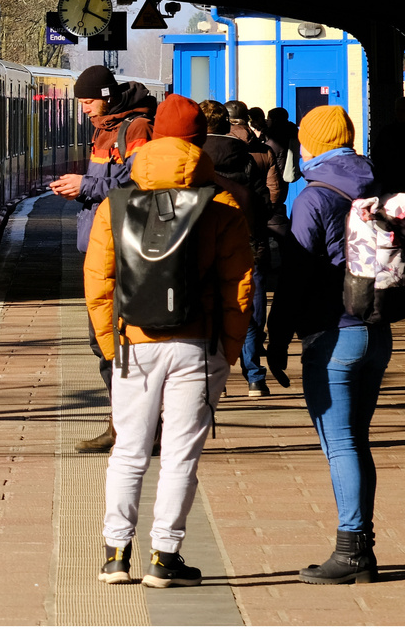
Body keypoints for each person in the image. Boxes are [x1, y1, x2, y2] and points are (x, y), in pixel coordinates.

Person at [84, 94, 254, 587]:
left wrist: (113, 344)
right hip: (198, 346)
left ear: (153, 137)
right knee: (180, 455)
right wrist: (232, 348)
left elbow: (98, 282)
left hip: (133, 346)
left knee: (129, 452)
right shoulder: (220, 206)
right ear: (200, 140)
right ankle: (164, 558)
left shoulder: (116, 205)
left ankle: (116, 553)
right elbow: (239, 287)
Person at [266, 105, 389, 585]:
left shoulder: (314, 196)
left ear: (311, 143)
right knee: (356, 442)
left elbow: (294, 278)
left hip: (332, 336)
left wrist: (276, 341)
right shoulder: (375, 183)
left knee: (341, 444)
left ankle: (352, 550)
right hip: (376, 331)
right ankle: (362, 550)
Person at [48, 65, 155, 452]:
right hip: (100, 248)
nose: (85, 111)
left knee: (117, 342)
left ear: (107, 96)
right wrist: (81, 189)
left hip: (122, 250)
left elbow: (139, 184)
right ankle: (120, 424)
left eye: (89, 102)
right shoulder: (104, 130)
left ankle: (132, 430)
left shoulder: (136, 129)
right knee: (103, 343)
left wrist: (85, 185)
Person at [227, 100, 285, 397]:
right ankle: (254, 377)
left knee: (216, 304)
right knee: (253, 303)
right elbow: (275, 191)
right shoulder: (263, 150)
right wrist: (260, 215)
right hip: (253, 235)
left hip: (218, 237)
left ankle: (217, 375)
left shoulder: (201, 152)